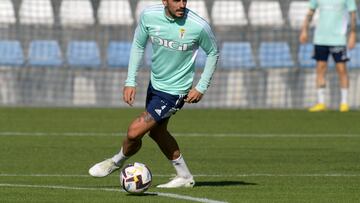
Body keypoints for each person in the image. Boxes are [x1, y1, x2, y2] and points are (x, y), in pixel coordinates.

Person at [89, 0, 219, 188]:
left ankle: (115, 162)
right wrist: (130, 81)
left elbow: (213, 52)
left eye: (185, 0)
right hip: (155, 85)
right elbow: (138, 45)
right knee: (157, 133)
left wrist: (201, 86)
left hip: (175, 92)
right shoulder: (149, 16)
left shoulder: (198, 26)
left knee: (134, 131)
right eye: (176, 0)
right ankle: (184, 177)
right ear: (164, 1)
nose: (182, 4)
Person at [299, 0, 357, 112]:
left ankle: (344, 103)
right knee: (320, 68)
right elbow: (310, 12)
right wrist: (304, 30)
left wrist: (353, 34)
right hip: (320, 38)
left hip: (338, 39)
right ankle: (321, 103)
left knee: (341, 69)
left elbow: (353, 14)